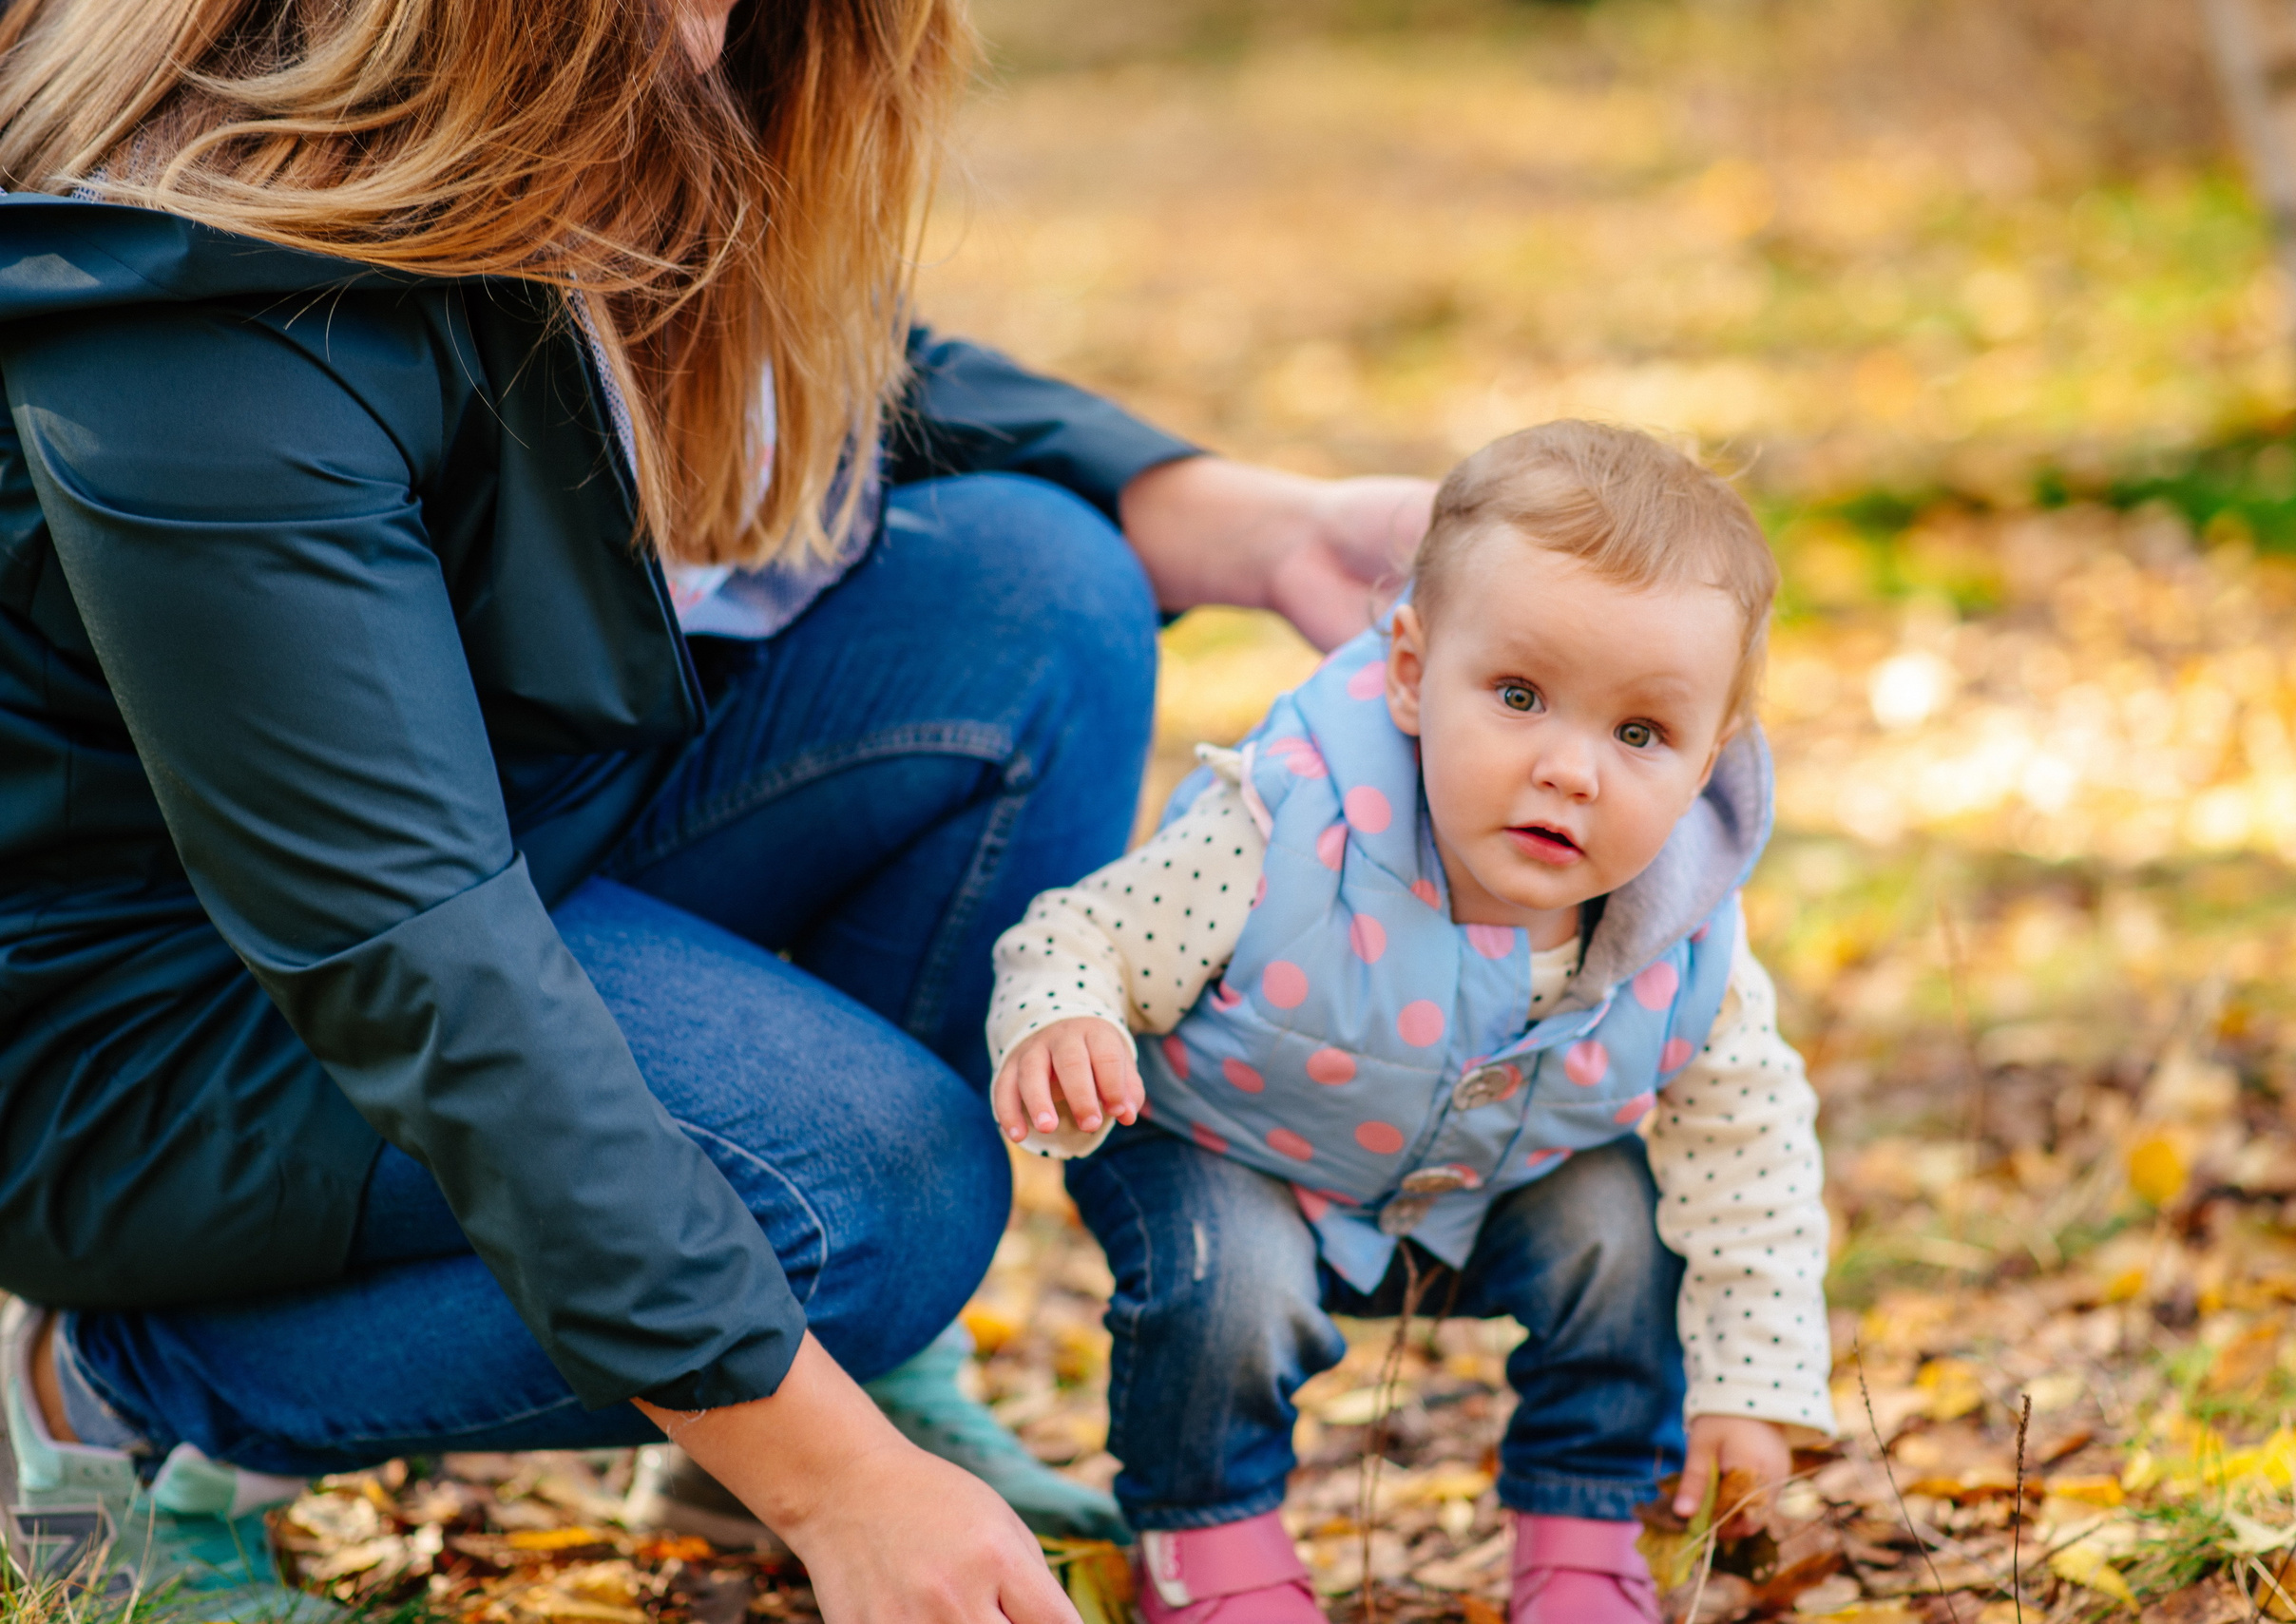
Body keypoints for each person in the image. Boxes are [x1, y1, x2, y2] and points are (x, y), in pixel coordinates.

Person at [0, 0, 1434, 1619]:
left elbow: (796, 364)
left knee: (1038, 588)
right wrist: (837, 1483)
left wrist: (1259, 524)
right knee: (872, 1197)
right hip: (148, 1023)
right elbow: (409, 949)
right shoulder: (194, 285)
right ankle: (112, 1390)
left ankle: (770, 1402)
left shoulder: (578, 101)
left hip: (488, 845)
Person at [983, 422, 1835, 1623]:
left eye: (1639, 732)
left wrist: (1752, 1384)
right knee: (1233, 1283)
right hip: (1228, 1151)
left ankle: (1582, 1539)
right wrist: (1066, 1018)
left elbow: (1752, 1163)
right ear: (1407, 672)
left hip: (1474, 1187)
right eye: (1519, 695)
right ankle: (1210, 1548)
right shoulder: (1285, 825)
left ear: (1707, 763)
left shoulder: (1689, 943)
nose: (1571, 768)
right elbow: (1081, 934)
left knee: (1622, 1227)